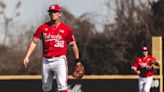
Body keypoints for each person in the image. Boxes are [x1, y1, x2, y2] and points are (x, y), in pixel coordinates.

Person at [23, 4, 84, 92]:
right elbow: (34, 42)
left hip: (60, 60)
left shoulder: (66, 29)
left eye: (55, 12)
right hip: (46, 61)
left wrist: (77, 61)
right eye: (51, 12)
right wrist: (27, 56)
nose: (52, 14)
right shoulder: (43, 28)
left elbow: (73, 45)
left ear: (59, 13)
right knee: (46, 88)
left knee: (62, 87)